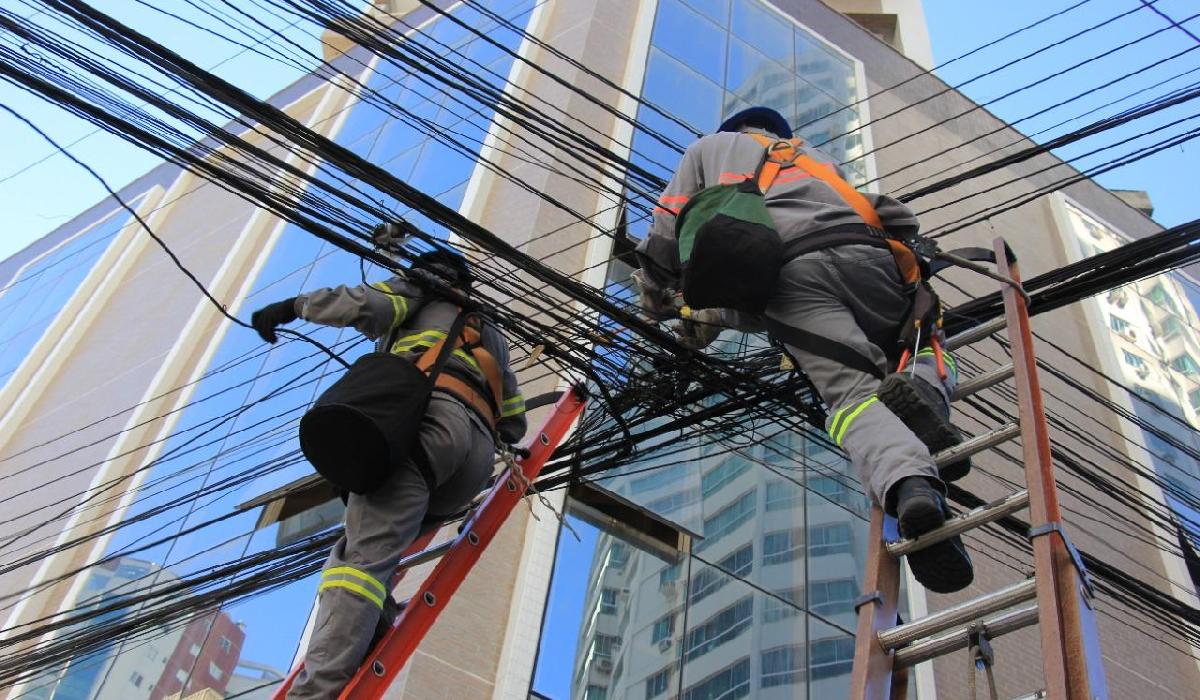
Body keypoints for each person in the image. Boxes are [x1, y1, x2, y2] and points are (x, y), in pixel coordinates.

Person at [632, 106, 973, 594]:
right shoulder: (818, 160)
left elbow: (667, 230)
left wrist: (654, 295)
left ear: (730, 130)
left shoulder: (708, 149)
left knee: (852, 398)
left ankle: (911, 485)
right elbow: (896, 215)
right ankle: (922, 394)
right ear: (776, 134)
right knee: (926, 346)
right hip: (874, 261)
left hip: (795, 276)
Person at [251, 248, 526, 699]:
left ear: (430, 273)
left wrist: (293, 307)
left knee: (357, 568)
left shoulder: (423, 288)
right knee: (361, 556)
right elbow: (514, 422)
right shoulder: (490, 333)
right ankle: (374, 626)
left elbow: (367, 304)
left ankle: (314, 692)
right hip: (471, 465)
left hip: (427, 430)